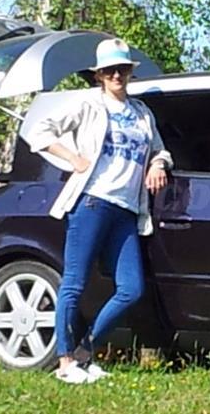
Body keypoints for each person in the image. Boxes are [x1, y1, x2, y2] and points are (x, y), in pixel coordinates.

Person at [22, 38, 172, 384]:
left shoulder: (141, 113)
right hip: (92, 201)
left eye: (122, 69)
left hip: (127, 209)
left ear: (129, 73)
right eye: (110, 70)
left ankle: (84, 353)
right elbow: (39, 131)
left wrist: (157, 164)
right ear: (100, 75)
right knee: (74, 283)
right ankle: (65, 363)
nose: (117, 75)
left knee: (131, 289)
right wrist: (73, 158)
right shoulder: (88, 104)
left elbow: (160, 150)